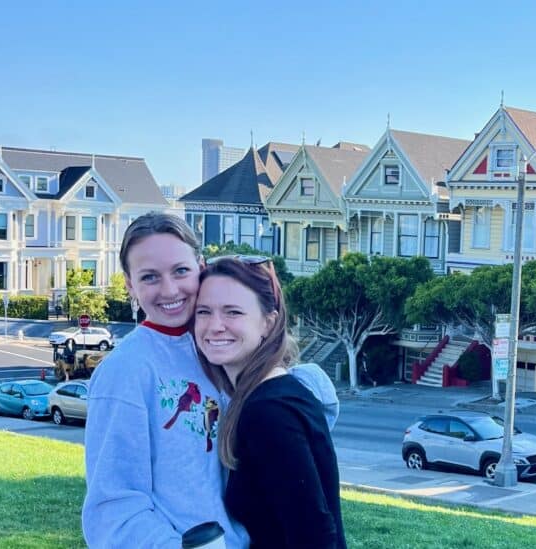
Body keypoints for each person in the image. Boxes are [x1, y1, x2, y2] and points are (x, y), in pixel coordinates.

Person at [82, 213, 248, 548]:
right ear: (129, 284)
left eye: (181, 271)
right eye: (150, 277)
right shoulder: (126, 371)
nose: (170, 289)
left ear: (201, 265)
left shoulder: (220, 342)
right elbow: (114, 508)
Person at [194, 257, 346, 548]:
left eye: (233, 312)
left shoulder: (269, 412)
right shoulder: (270, 394)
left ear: (268, 322)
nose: (215, 326)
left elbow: (314, 535)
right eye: (204, 312)